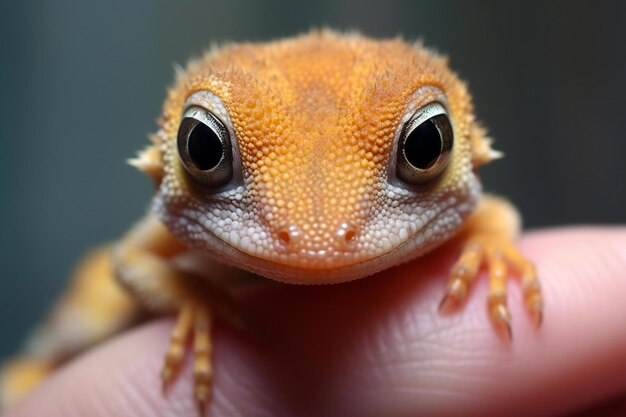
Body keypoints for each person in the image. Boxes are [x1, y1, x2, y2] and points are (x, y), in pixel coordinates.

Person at [3, 227, 625, 416]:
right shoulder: (161, 244)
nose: (315, 244)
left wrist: (493, 243)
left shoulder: (458, 208)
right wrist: (188, 294)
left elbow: (488, 210)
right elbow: (129, 259)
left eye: (421, 148)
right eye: (208, 150)